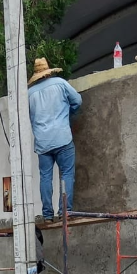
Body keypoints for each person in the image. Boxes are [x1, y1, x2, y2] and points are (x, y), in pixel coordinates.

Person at [27, 57, 82, 222]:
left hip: (43, 143)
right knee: (66, 174)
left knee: (45, 177)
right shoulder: (60, 83)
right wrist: (69, 114)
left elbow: (27, 117)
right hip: (62, 138)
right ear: (48, 71)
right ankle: (65, 212)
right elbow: (78, 101)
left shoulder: (29, 94)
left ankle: (47, 215)